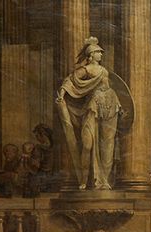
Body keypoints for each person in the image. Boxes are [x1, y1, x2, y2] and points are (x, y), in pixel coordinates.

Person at [56, 37, 123, 190]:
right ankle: (84, 180)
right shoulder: (86, 69)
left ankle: (104, 180)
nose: (101, 55)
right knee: (87, 144)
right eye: (98, 52)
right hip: (94, 106)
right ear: (91, 55)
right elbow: (69, 81)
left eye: (101, 52)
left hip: (111, 103)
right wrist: (61, 95)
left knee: (108, 143)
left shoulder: (104, 70)